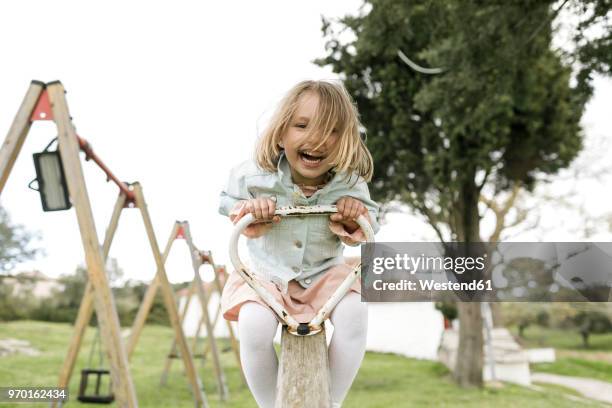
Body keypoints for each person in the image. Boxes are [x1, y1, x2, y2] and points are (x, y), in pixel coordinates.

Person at [218, 80, 379, 408]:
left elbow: (366, 225)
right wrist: (251, 213)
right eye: (302, 126)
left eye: (331, 130)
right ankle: (270, 404)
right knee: (254, 326)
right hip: (267, 277)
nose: (316, 139)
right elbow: (231, 207)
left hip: (325, 275)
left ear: (345, 139)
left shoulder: (350, 184)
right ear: (280, 133)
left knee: (355, 313)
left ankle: (331, 401)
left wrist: (351, 218)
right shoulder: (255, 177)